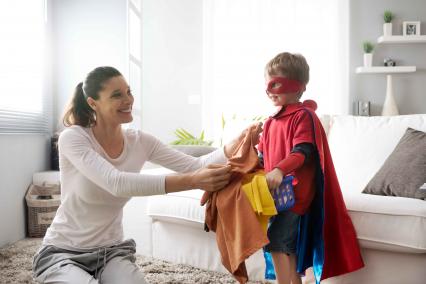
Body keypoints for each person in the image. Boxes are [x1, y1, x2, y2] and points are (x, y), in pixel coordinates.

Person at [32, 66, 262, 284]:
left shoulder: (140, 141)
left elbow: (195, 165)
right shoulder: (73, 138)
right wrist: (193, 181)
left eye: (129, 92)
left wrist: (235, 144)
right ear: (93, 103)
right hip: (64, 252)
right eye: (116, 95)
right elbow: (116, 183)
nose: (128, 100)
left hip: (110, 253)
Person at [258, 52, 364, 284]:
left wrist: (279, 170)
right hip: (274, 194)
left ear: (298, 87)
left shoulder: (304, 116)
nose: (269, 90)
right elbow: (261, 154)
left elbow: (303, 152)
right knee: (283, 242)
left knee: (276, 239)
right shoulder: (270, 121)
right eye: (267, 83)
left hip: (295, 195)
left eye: (276, 83)